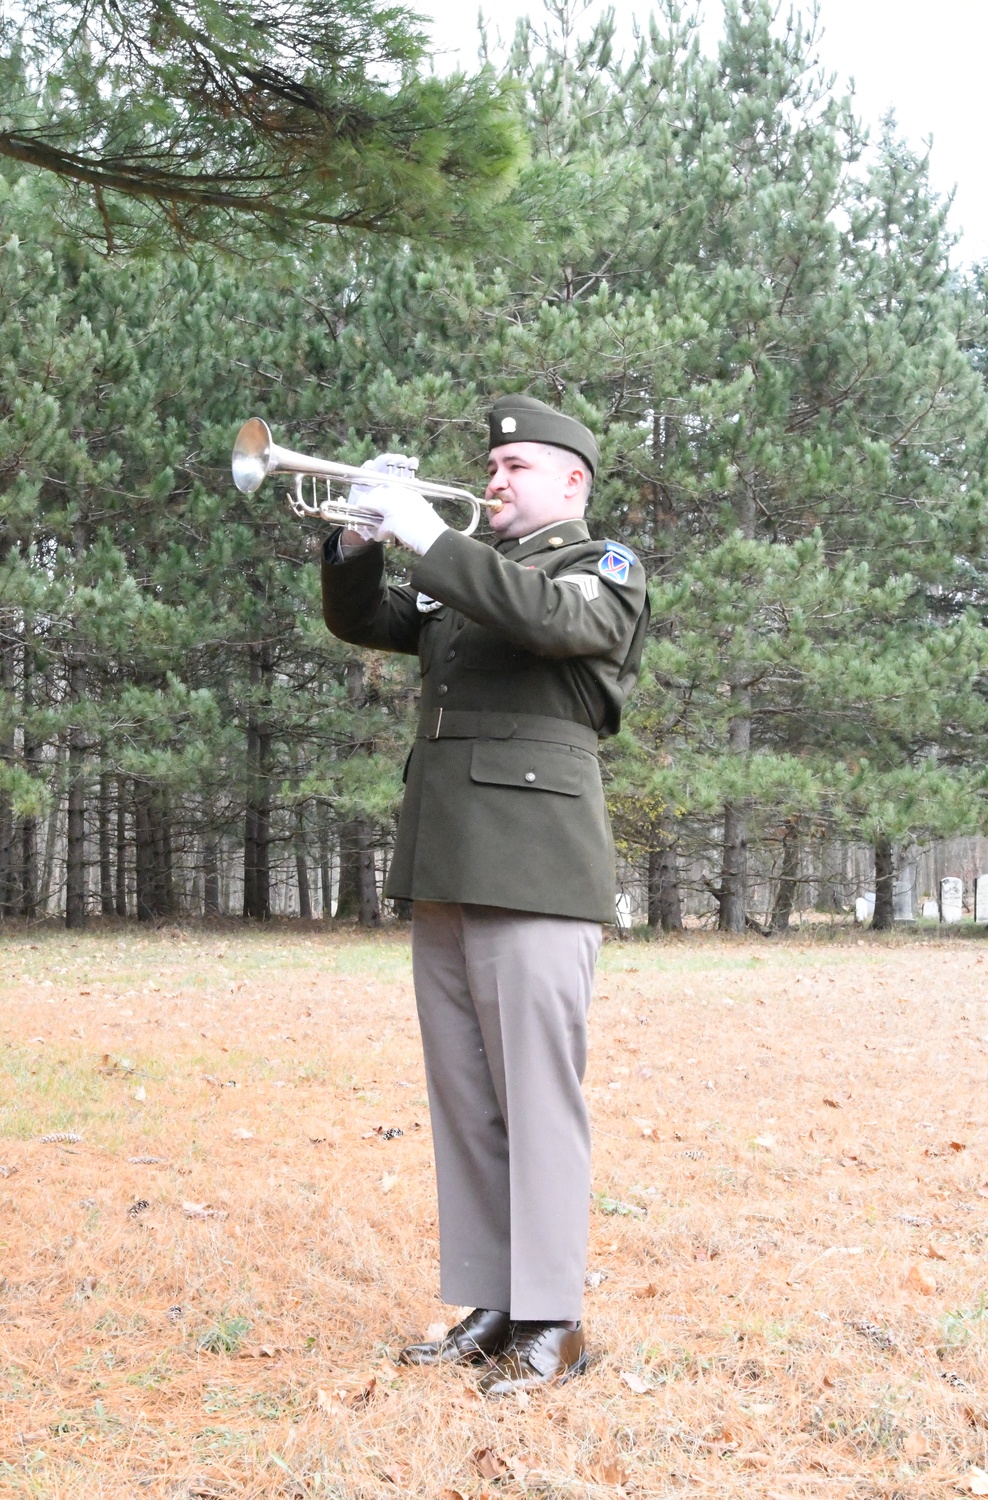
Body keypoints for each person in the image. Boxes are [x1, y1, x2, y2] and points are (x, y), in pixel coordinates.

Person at [320, 393, 648, 1396]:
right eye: (491, 470)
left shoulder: (600, 572)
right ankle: (494, 1301)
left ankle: (557, 1320)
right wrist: (358, 534)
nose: (494, 482)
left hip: (537, 868)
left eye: (516, 470)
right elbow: (364, 619)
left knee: (538, 1102)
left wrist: (426, 533)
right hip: (449, 857)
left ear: (571, 483)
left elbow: (544, 624)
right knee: (466, 1096)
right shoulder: (465, 571)